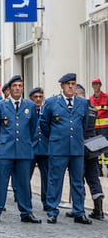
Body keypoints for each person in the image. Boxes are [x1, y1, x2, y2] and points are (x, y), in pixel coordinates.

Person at [39, 73, 91, 224]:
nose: (70, 86)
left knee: (78, 181)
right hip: (58, 148)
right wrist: (55, 138)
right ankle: (52, 211)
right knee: (55, 180)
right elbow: (44, 124)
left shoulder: (82, 103)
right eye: (68, 83)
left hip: (76, 148)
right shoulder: (51, 102)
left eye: (73, 83)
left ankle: (79, 212)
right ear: (61, 85)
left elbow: (84, 124)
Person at [0, 75, 41, 223]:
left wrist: (25, 142)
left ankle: (26, 212)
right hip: (6, 150)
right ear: (10, 89)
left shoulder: (29, 105)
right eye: (15, 86)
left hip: (23, 150)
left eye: (20, 86)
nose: (17, 88)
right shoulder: (0, 105)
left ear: (23, 88)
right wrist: (3, 141)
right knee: (0, 182)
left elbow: (33, 127)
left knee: (24, 182)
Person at [75, 84, 106, 219]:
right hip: (93, 146)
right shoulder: (93, 107)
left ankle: (79, 209)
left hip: (80, 146)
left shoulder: (79, 108)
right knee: (93, 177)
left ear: (76, 95)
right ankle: (98, 210)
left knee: (78, 178)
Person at [29, 87, 50, 211]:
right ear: (31, 98)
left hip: (44, 149)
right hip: (31, 148)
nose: (38, 99)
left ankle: (46, 202)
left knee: (46, 177)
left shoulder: (46, 110)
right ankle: (26, 201)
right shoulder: (27, 110)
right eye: (35, 97)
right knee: (26, 177)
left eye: (40, 97)